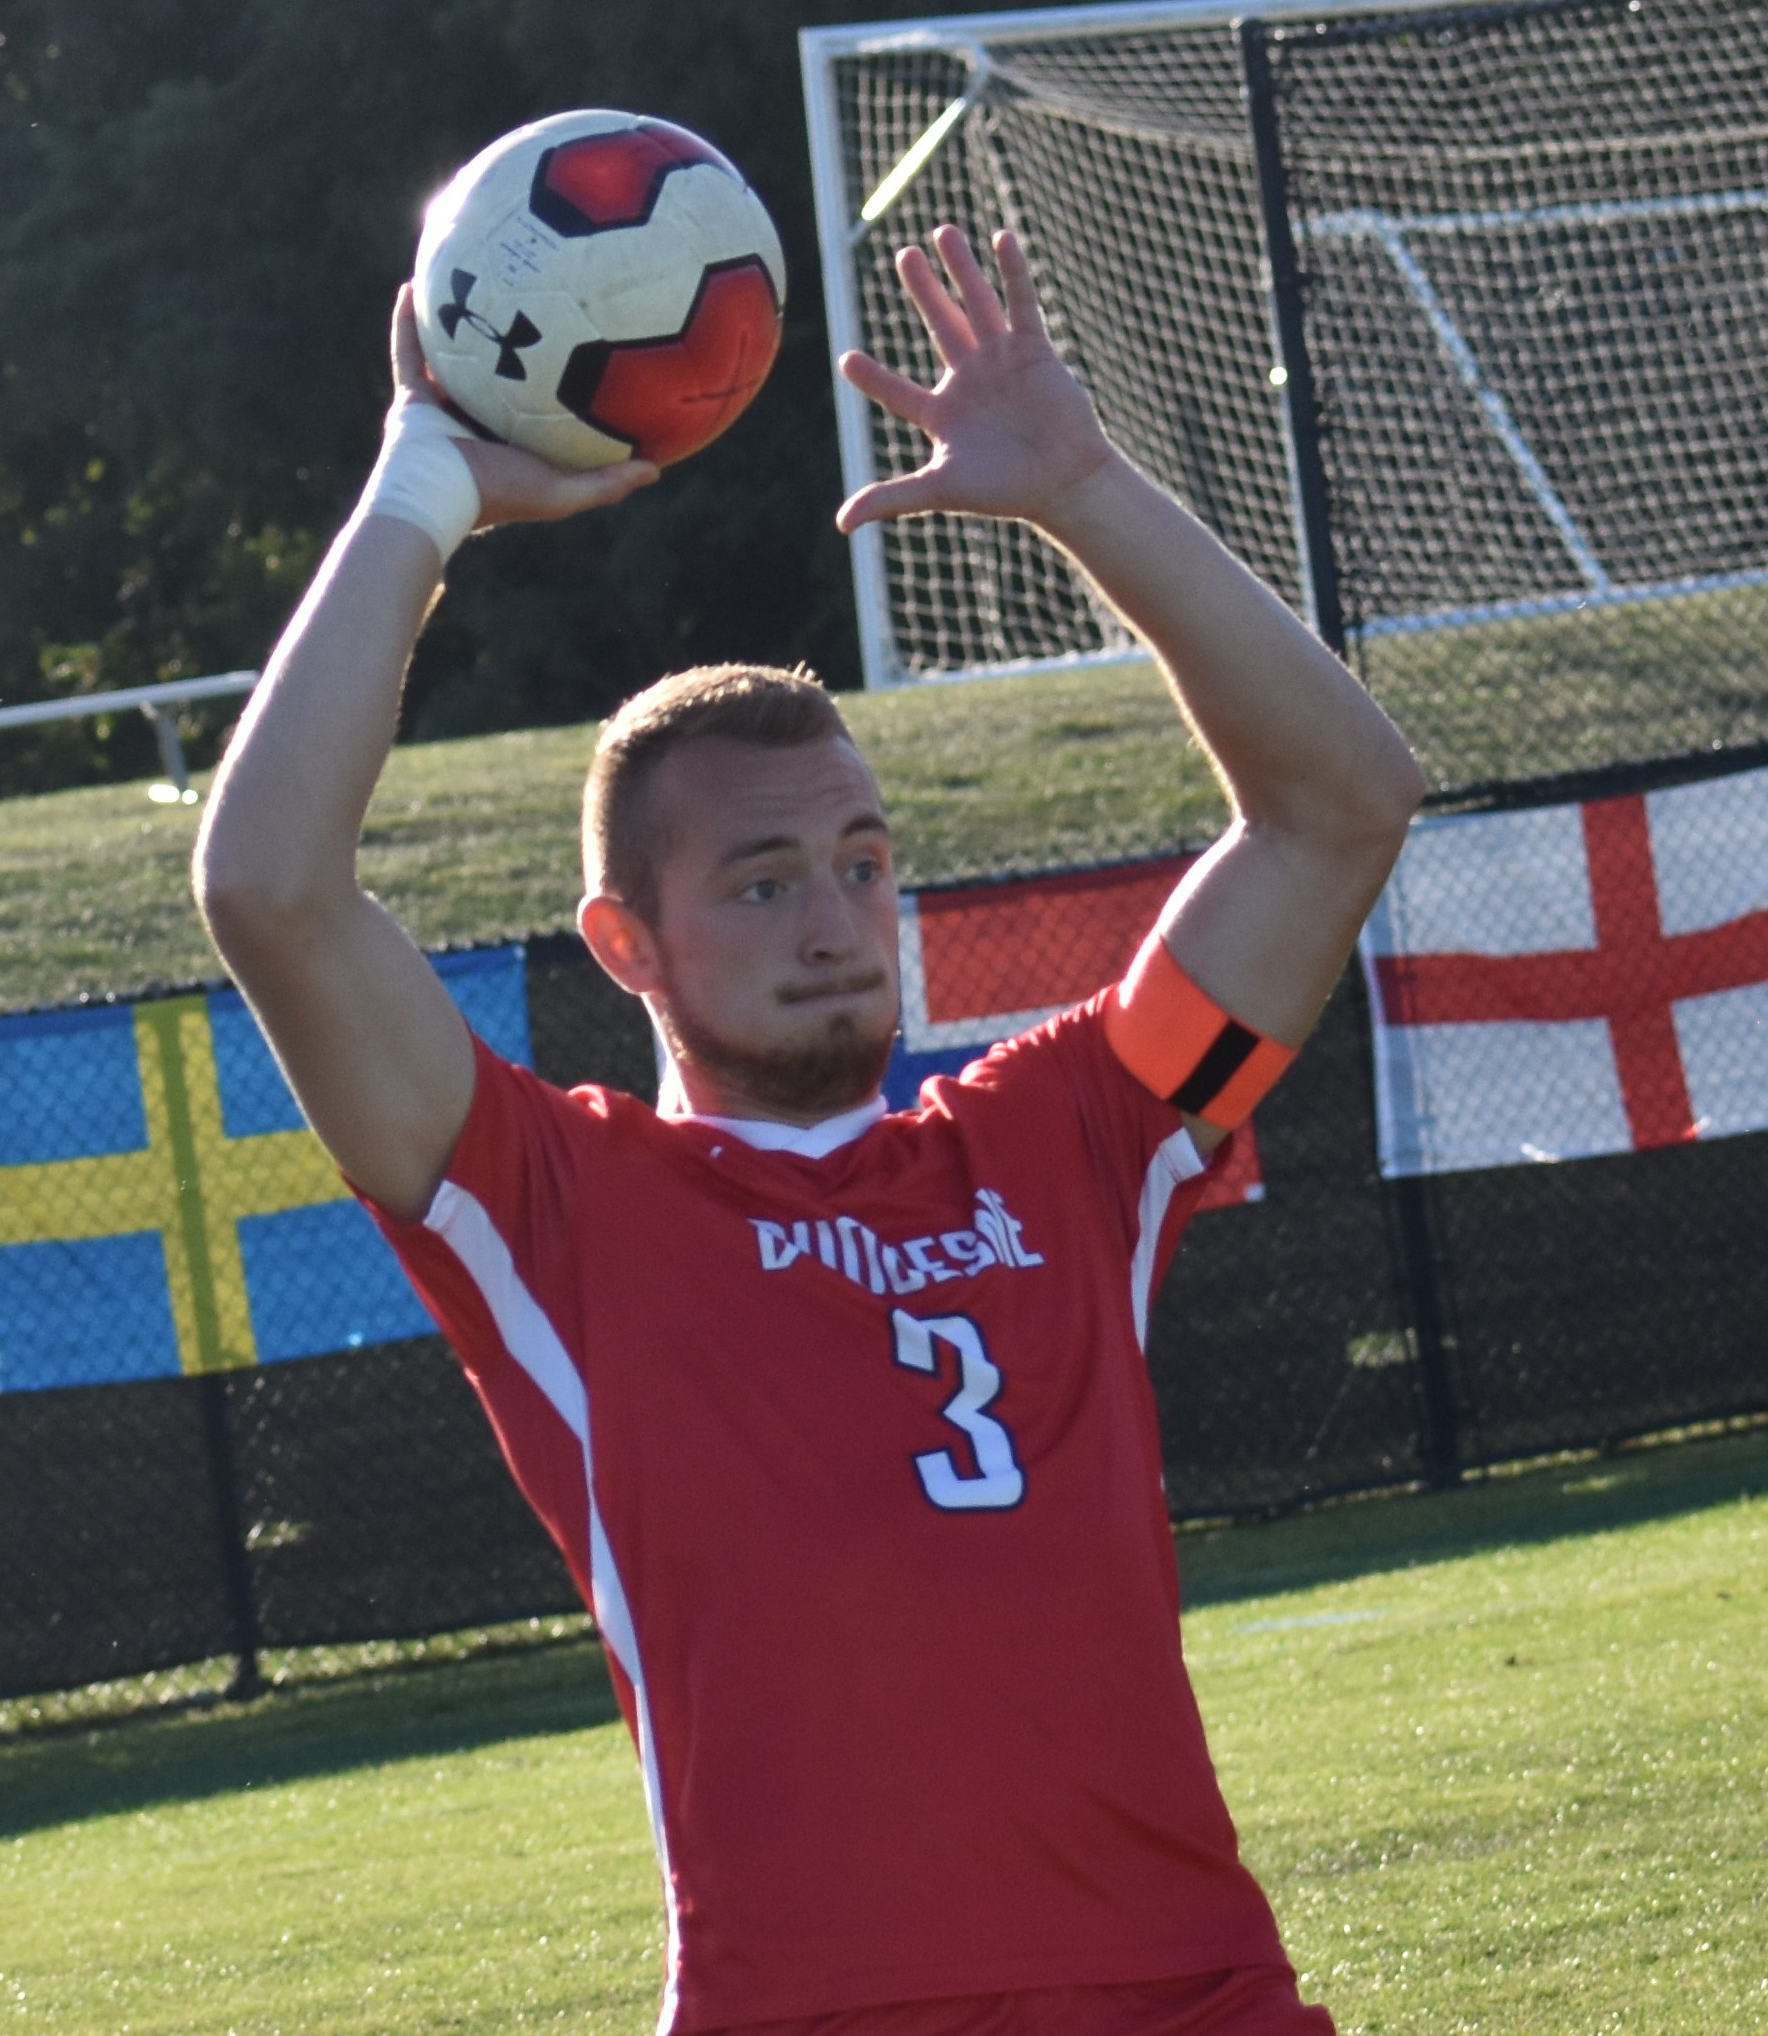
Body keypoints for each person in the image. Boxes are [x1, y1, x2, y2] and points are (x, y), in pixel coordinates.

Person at [194, 223, 1424, 2036]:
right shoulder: (557, 1206)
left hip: (1196, 1998)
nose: (835, 919)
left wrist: (1083, 490)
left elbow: (1340, 806)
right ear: (627, 945)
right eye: (760, 884)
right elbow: (270, 890)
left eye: (859, 863)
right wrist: (422, 490)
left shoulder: (1064, 1136)